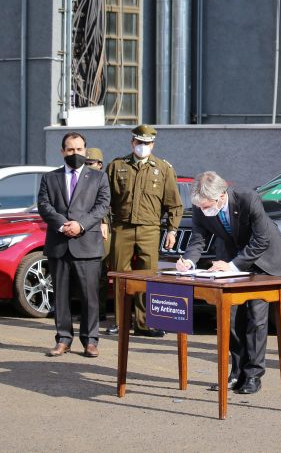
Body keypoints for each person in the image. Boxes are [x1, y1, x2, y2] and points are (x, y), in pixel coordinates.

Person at [176, 171, 281, 394]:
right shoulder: (201, 205)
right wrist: (188, 261)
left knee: (255, 317)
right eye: (200, 206)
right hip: (230, 258)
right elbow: (198, 238)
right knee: (230, 318)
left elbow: (261, 240)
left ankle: (253, 375)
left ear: (221, 196)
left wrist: (233, 266)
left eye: (207, 206)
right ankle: (237, 372)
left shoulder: (247, 198)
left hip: (264, 259)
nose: (203, 210)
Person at [37, 132, 110, 358]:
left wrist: (81, 225)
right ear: (62, 152)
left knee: (90, 296)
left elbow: (102, 205)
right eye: (70, 149)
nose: (75, 153)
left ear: (85, 151)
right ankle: (63, 339)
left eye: (79, 149)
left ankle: (90, 340)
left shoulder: (99, 177)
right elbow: (44, 205)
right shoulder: (50, 178)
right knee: (61, 296)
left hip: (87, 244)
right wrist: (62, 225)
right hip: (59, 244)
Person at [105, 125, 183, 337]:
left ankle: (144, 323)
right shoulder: (116, 166)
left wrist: (172, 230)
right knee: (121, 276)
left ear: (153, 145)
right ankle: (121, 322)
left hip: (150, 229)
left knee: (147, 276)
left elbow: (174, 204)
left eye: (147, 143)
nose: (142, 146)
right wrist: (104, 222)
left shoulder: (163, 169)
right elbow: (104, 199)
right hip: (122, 227)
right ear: (132, 143)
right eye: (139, 142)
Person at [85, 147, 110, 322]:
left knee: (100, 272)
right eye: (85, 163)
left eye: (90, 163)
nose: (87, 166)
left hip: (102, 228)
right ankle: (87, 310)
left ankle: (99, 311)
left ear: (100, 164)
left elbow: (106, 204)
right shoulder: (80, 179)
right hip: (85, 229)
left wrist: (104, 222)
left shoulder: (103, 179)